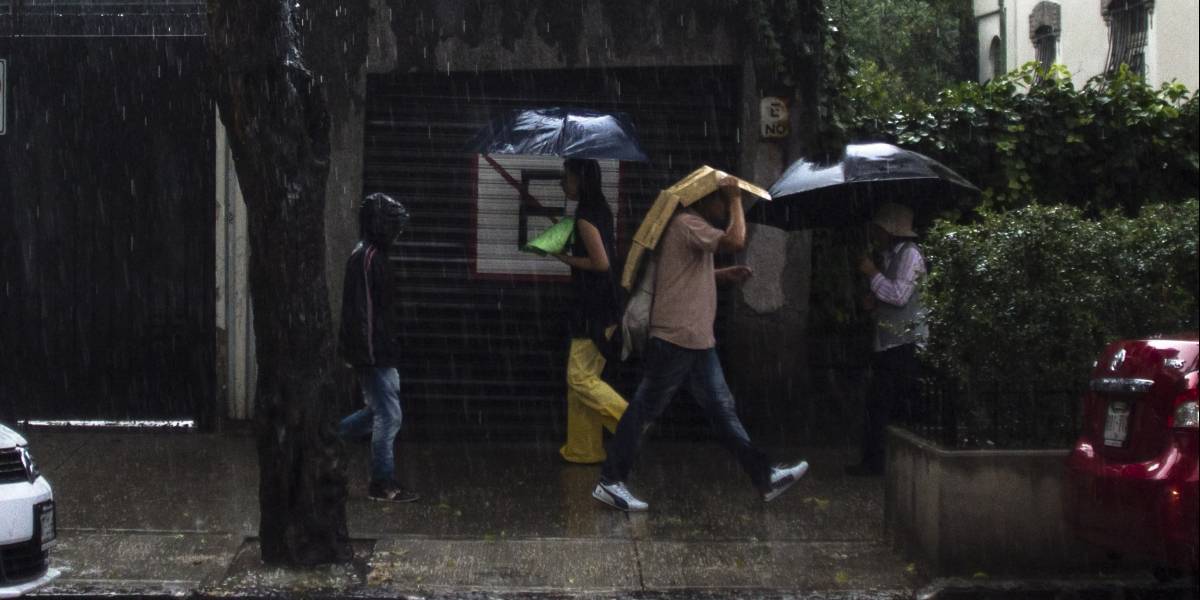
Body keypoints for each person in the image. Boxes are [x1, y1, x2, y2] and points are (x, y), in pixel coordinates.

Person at [592, 176, 809, 512]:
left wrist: (723, 275)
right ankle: (610, 480)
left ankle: (765, 477)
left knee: (721, 411)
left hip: (695, 340)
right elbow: (736, 239)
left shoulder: (688, 228)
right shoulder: (687, 223)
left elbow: (679, 276)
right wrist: (736, 197)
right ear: (705, 200)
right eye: (720, 201)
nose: (724, 208)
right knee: (644, 410)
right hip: (677, 337)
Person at [337, 192, 419, 502]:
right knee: (389, 415)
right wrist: (370, 355)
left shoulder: (370, 255)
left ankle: (324, 440)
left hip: (378, 352)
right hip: (374, 354)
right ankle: (382, 482)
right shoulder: (367, 258)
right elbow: (364, 313)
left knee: (378, 413)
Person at [550, 158, 629, 464]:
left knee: (579, 378)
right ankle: (583, 450)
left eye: (566, 178)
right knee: (583, 382)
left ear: (580, 181)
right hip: (602, 302)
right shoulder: (600, 209)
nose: (562, 183)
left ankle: (629, 422)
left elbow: (601, 263)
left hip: (593, 306)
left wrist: (565, 259)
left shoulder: (585, 216)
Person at [846, 202, 929, 477]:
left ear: (891, 231)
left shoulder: (910, 255)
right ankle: (875, 462)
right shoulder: (889, 256)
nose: (875, 234)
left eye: (880, 229)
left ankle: (887, 464)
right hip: (887, 342)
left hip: (905, 343)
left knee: (893, 404)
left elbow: (898, 295)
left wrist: (872, 274)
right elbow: (888, 296)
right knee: (877, 404)